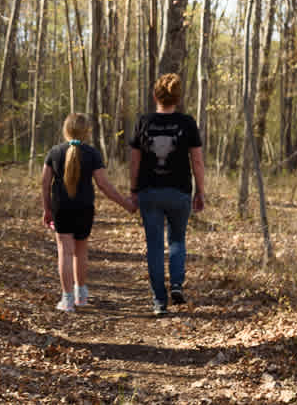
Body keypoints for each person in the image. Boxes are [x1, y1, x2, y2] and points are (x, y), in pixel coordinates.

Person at [129, 73, 206, 316]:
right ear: (178, 98)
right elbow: (197, 160)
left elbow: (134, 161)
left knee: (153, 245)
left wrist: (133, 189)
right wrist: (201, 190)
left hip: (149, 191)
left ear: (155, 96)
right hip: (179, 191)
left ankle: (159, 301)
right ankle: (176, 284)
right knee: (177, 240)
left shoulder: (143, 122)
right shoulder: (187, 123)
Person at [42, 113, 136, 312]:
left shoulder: (54, 152)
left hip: (61, 208)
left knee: (65, 252)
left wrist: (47, 208)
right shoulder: (92, 153)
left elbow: (44, 183)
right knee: (81, 251)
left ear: (65, 130)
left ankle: (67, 300)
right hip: (84, 208)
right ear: (87, 132)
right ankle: (81, 295)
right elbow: (103, 185)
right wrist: (125, 204)